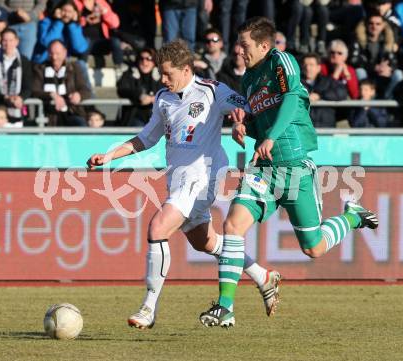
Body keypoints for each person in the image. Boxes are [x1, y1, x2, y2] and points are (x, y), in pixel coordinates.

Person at [87, 39, 281, 330]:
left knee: (158, 227)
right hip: (178, 178)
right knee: (206, 242)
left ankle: (148, 308)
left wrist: (240, 122)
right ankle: (262, 276)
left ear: (186, 69)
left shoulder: (212, 91)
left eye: (168, 74)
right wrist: (111, 155)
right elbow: (146, 139)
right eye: (161, 74)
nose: (163, 79)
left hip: (204, 174)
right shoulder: (164, 98)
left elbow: (247, 108)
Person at [199, 17, 379, 328]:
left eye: (244, 45)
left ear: (264, 45)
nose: (239, 51)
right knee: (232, 225)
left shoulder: (281, 61)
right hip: (264, 169)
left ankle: (352, 216)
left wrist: (269, 136)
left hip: (295, 166)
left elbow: (294, 98)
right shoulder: (249, 80)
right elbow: (263, 120)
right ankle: (225, 307)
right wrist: (246, 127)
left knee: (313, 248)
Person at [32, 40, 91, 126]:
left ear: (65, 53)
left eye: (58, 54)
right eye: (51, 53)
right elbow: (35, 90)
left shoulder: (74, 68)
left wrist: (79, 95)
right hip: (48, 114)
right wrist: (52, 95)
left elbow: (85, 90)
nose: (54, 57)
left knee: (80, 125)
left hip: (72, 112)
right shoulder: (40, 69)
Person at [0, 28, 32, 124]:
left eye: (11, 40)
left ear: (17, 42)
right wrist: (5, 98)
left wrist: (20, 98)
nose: (8, 44)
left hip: (16, 115)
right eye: (5, 40)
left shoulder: (24, 61)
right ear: (1, 41)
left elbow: (28, 87)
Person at [116, 47, 162, 126]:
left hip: (156, 116)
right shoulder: (130, 73)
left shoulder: (161, 75)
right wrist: (139, 96)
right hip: (134, 115)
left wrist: (154, 98)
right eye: (142, 58)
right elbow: (122, 89)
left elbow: (169, 90)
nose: (144, 62)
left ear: (154, 62)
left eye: (148, 59)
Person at [32, 0, 88, 65]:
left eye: (70, 12)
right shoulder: (46, 22)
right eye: (64, 11)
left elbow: (80, 48)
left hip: (63, 62)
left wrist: (72, 25)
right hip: (44, 61)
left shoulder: (75, 26)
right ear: (58, 10)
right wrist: (59, 22)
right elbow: (46, 43)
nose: (66, 15)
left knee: (81, 65)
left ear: (74, 13)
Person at [301, 53, 348, 127]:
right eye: (305, 65)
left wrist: (320, 96)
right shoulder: (296, 84)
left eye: (311, 65)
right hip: (304, 131)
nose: (308, 68)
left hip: (326, 130)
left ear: (319, 67)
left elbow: (342, 93)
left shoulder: (328, 81)